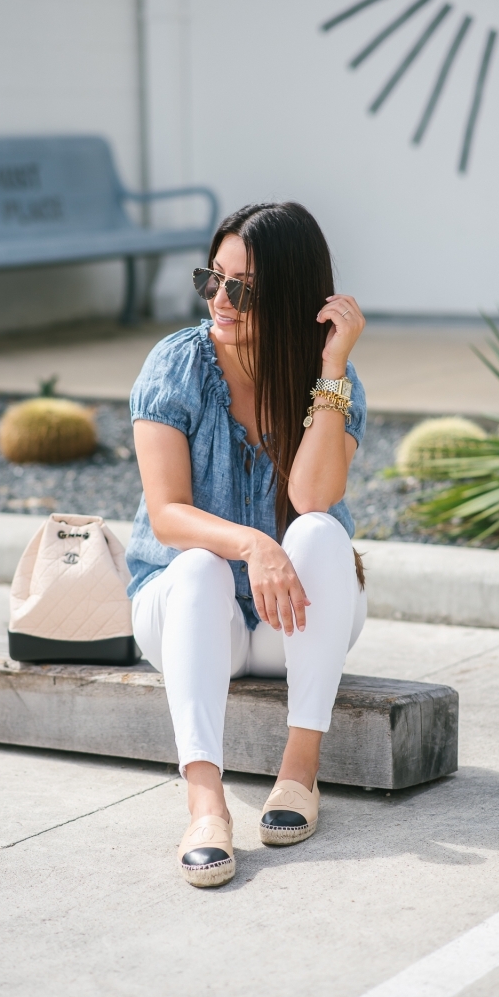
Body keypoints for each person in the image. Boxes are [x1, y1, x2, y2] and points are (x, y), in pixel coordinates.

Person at [126, 202, 367, 887]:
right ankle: (206, 807)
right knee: (202, 564)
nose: (220, 301)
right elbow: (168, 515)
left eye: (242, 288)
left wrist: (333, 367)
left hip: (287, 617)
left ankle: (299, 773)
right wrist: (254, 544)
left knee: (319, 532)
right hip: (191, 608)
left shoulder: (333, 382)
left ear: (290, 294)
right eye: (213, 279)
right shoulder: (175, 365)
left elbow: (313, 500)